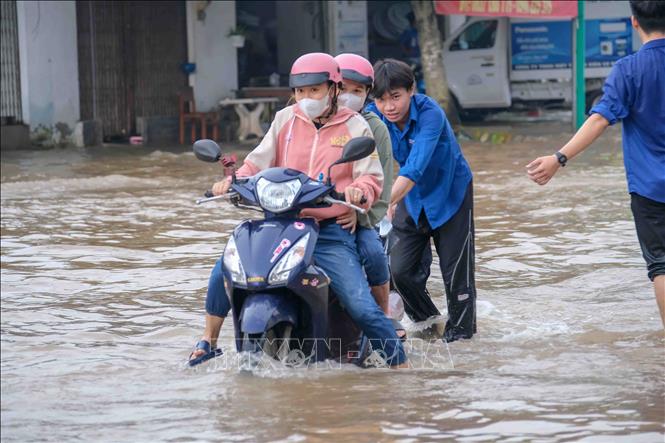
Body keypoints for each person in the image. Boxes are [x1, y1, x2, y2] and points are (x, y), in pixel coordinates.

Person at [189, 52, 408, 367]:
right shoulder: (285, 119)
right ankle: (207, 341)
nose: (306, 98)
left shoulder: (356, 125)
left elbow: (371, 175)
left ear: (333, 89)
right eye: (301, 91)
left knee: (361, 305)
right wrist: (233, 181)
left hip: (329, 230)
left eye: (314, 90)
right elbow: (258, 160)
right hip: (280, 222)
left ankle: (401, 365)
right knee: (226, 268)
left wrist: (359, 192)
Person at [526, 0, 665, 327]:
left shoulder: (629, 69)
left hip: (650, 189)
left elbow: (600, 119)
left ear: (634, 22)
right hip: (648, 189)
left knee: (661, 265)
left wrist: (559, 158)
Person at [366, 58, 477, 343]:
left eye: (396, 97)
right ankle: (429, 325)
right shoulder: (372, 118)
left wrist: (380, 202)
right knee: (399, 271)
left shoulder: (430, 114)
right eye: (381, 99)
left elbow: (415, 167)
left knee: (457, 277)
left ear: (411, 90)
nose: (389, 106)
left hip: (450, 195)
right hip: (409, 198)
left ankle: (462, 340)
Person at [334, 53, 406, 338]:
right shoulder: (301, 121)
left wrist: (359, 212)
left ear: (367, 94)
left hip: (359, 216)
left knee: (374, 254)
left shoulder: (372, 127)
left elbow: (382, 185)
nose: (348, 97)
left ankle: (384, 317)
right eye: (343, 89)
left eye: (357, 91)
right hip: (312, 215)